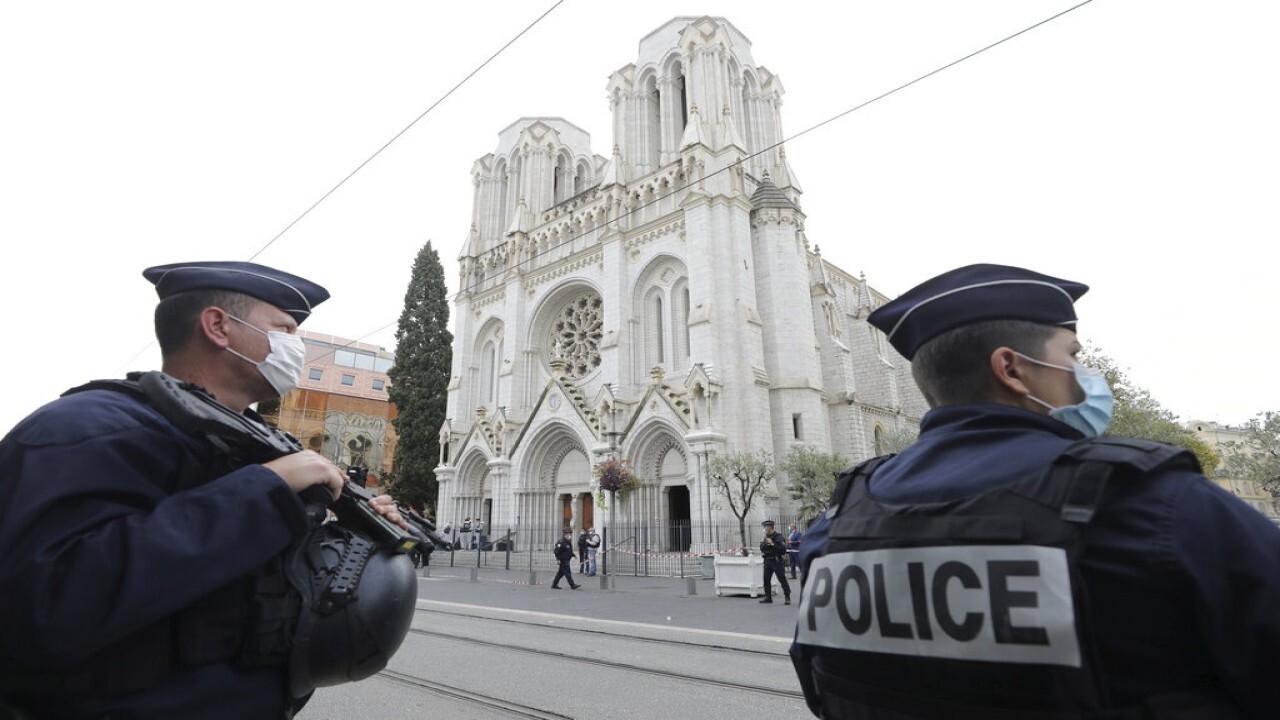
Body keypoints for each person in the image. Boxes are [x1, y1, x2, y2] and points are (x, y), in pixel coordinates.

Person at [789, 263, 1280, 718]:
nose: (1088, 378)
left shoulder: (832, 528)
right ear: (1012, 369)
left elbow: (821, 686)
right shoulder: (1160, 505)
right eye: (1072, 356)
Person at [0, 261, 412, 720]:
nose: (297, 347)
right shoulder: (89, 427)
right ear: (218, 326)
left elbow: (276, 583)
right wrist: (267, 489)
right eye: (285, 329)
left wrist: (359, 535)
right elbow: (46, 605)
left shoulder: (266, 447)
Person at [757, 520, 791, 605]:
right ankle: (768, 597)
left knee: (782, 579)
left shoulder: (778, 537)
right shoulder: (766, 537)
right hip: (767, 560)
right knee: (766, 579)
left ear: (769, 527)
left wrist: (772, 544)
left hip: (776, 560)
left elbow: (782, 550)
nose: (764, 528)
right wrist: (762, 544)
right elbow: (763, 549)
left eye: (765, 527)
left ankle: (787, 597)